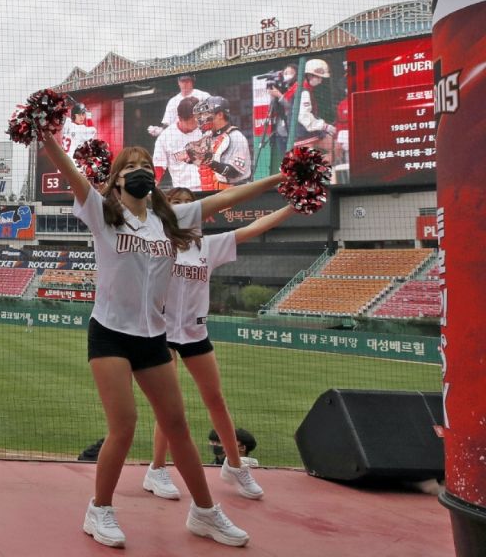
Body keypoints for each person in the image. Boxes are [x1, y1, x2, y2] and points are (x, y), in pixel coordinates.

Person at [41, 132, 283, 549]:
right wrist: (46, 136)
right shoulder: (103, 213)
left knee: (177, 426)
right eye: (131, 167)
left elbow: (229, 200)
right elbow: (71, 172)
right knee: (125, 425)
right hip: (111, 333)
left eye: (146, 167)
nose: (140, 173)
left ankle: (205, 513)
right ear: (116, 180)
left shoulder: (171, 218)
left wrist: (281, 177)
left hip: (154, 335)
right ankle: (99, 509)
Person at [143, 190, 298, 503]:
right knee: (170, 407)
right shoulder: (156, 244)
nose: (186, 209)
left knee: (216, 399)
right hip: (162, 334)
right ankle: (156, 469)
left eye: (191, 204)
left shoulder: (209, 246)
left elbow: (256, 228)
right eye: (177, 203)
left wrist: (295, 206)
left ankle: (235, 466)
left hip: (196, 334)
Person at [194, 96, 252, 191]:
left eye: (206, 113)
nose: (203, 118)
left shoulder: (236, 137)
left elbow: (234, 172)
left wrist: (208, 161)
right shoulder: (209, 136)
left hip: (236, 193)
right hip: (216, 192)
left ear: (220, 115)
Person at [152, 96, 203, 190]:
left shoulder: (206, 130)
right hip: (183, 191)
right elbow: (158, 168)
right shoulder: (165, 137)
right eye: (192, 121)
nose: (196, 124)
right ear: (180, 118)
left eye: (198, 119)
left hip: (209, 187)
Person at [296, 58, 338, 162]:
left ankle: (320, 169)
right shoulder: (302, 91)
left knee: (337, 148)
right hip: (302, 135)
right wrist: (324, 126)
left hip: (314, 133)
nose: (321, 80)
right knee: (309, 164)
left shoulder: (307, 89)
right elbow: (304, 117)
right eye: (319, 77)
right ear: (309, 75)